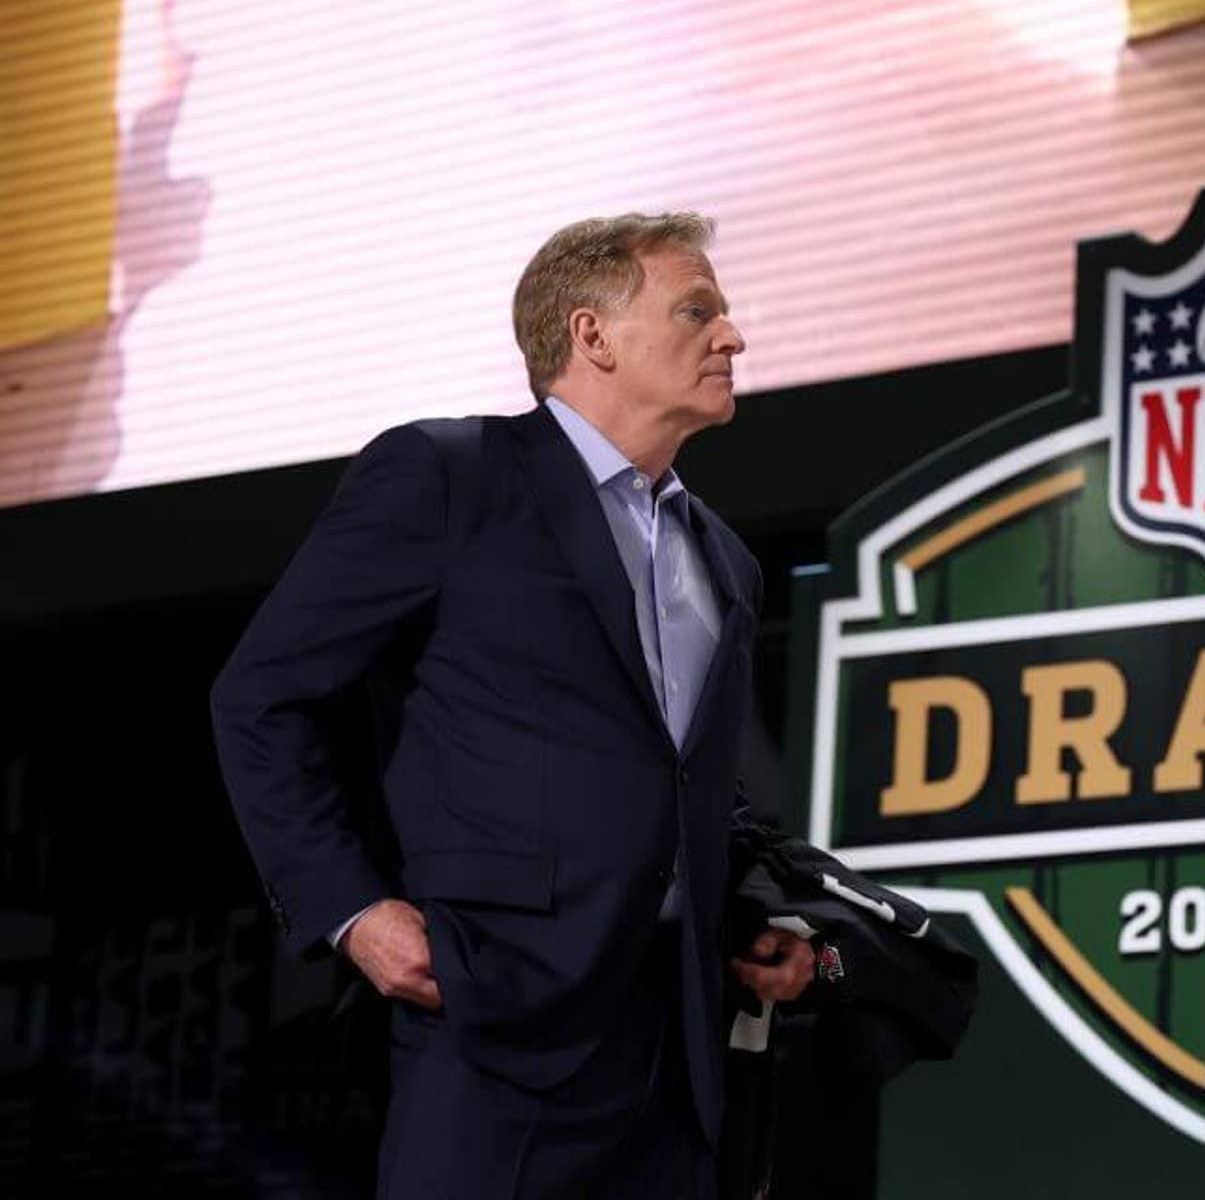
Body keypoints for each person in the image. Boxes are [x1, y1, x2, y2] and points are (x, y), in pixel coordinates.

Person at [210, 213, 814, 1198]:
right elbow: (261, 696)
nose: (732, 338)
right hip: (495, 1030)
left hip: (673, 1059)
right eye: (698, 311)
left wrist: (753, 912)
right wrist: (355, 911)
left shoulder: (727, 563)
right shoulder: (447, 478)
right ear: (592, 335)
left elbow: (687, 791)